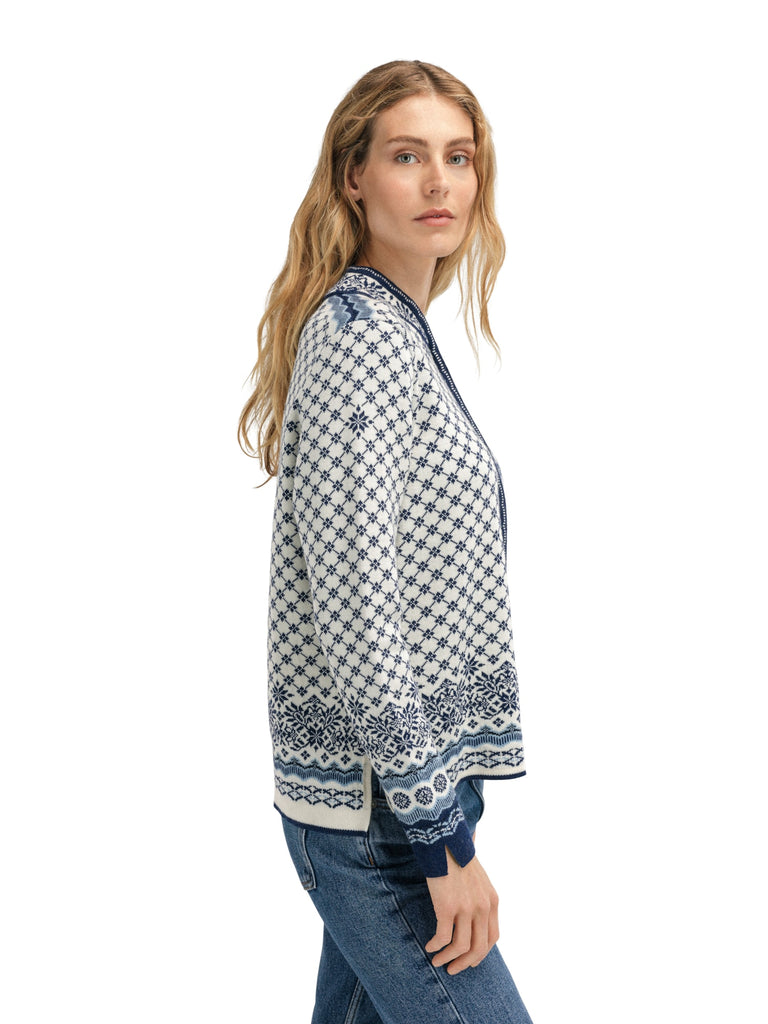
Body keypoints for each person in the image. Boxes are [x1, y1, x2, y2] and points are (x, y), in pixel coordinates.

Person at [238, 60, 533, 1024]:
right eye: (408, 156)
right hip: (385, 817)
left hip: (397, 794)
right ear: (354, 176)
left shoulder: (393, 329)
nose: (440, 181)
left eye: (460, 156)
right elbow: (359, 611)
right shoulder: (361, 335)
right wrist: (444, 840)